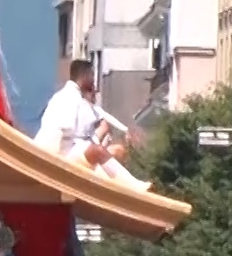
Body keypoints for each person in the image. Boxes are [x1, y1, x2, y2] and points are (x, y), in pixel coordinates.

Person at [31, 60, 147, 190]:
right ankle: (134, 188)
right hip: (61, 157)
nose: (94, 81)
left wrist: (126, 129)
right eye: (92, 75)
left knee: (111, 154)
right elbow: (58, 131)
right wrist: (50, 164)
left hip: (71, 153)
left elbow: (101, 114)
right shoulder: (66, 98)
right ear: (85, 76)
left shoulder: (78, 99)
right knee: (97, 151)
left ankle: (130, 187)